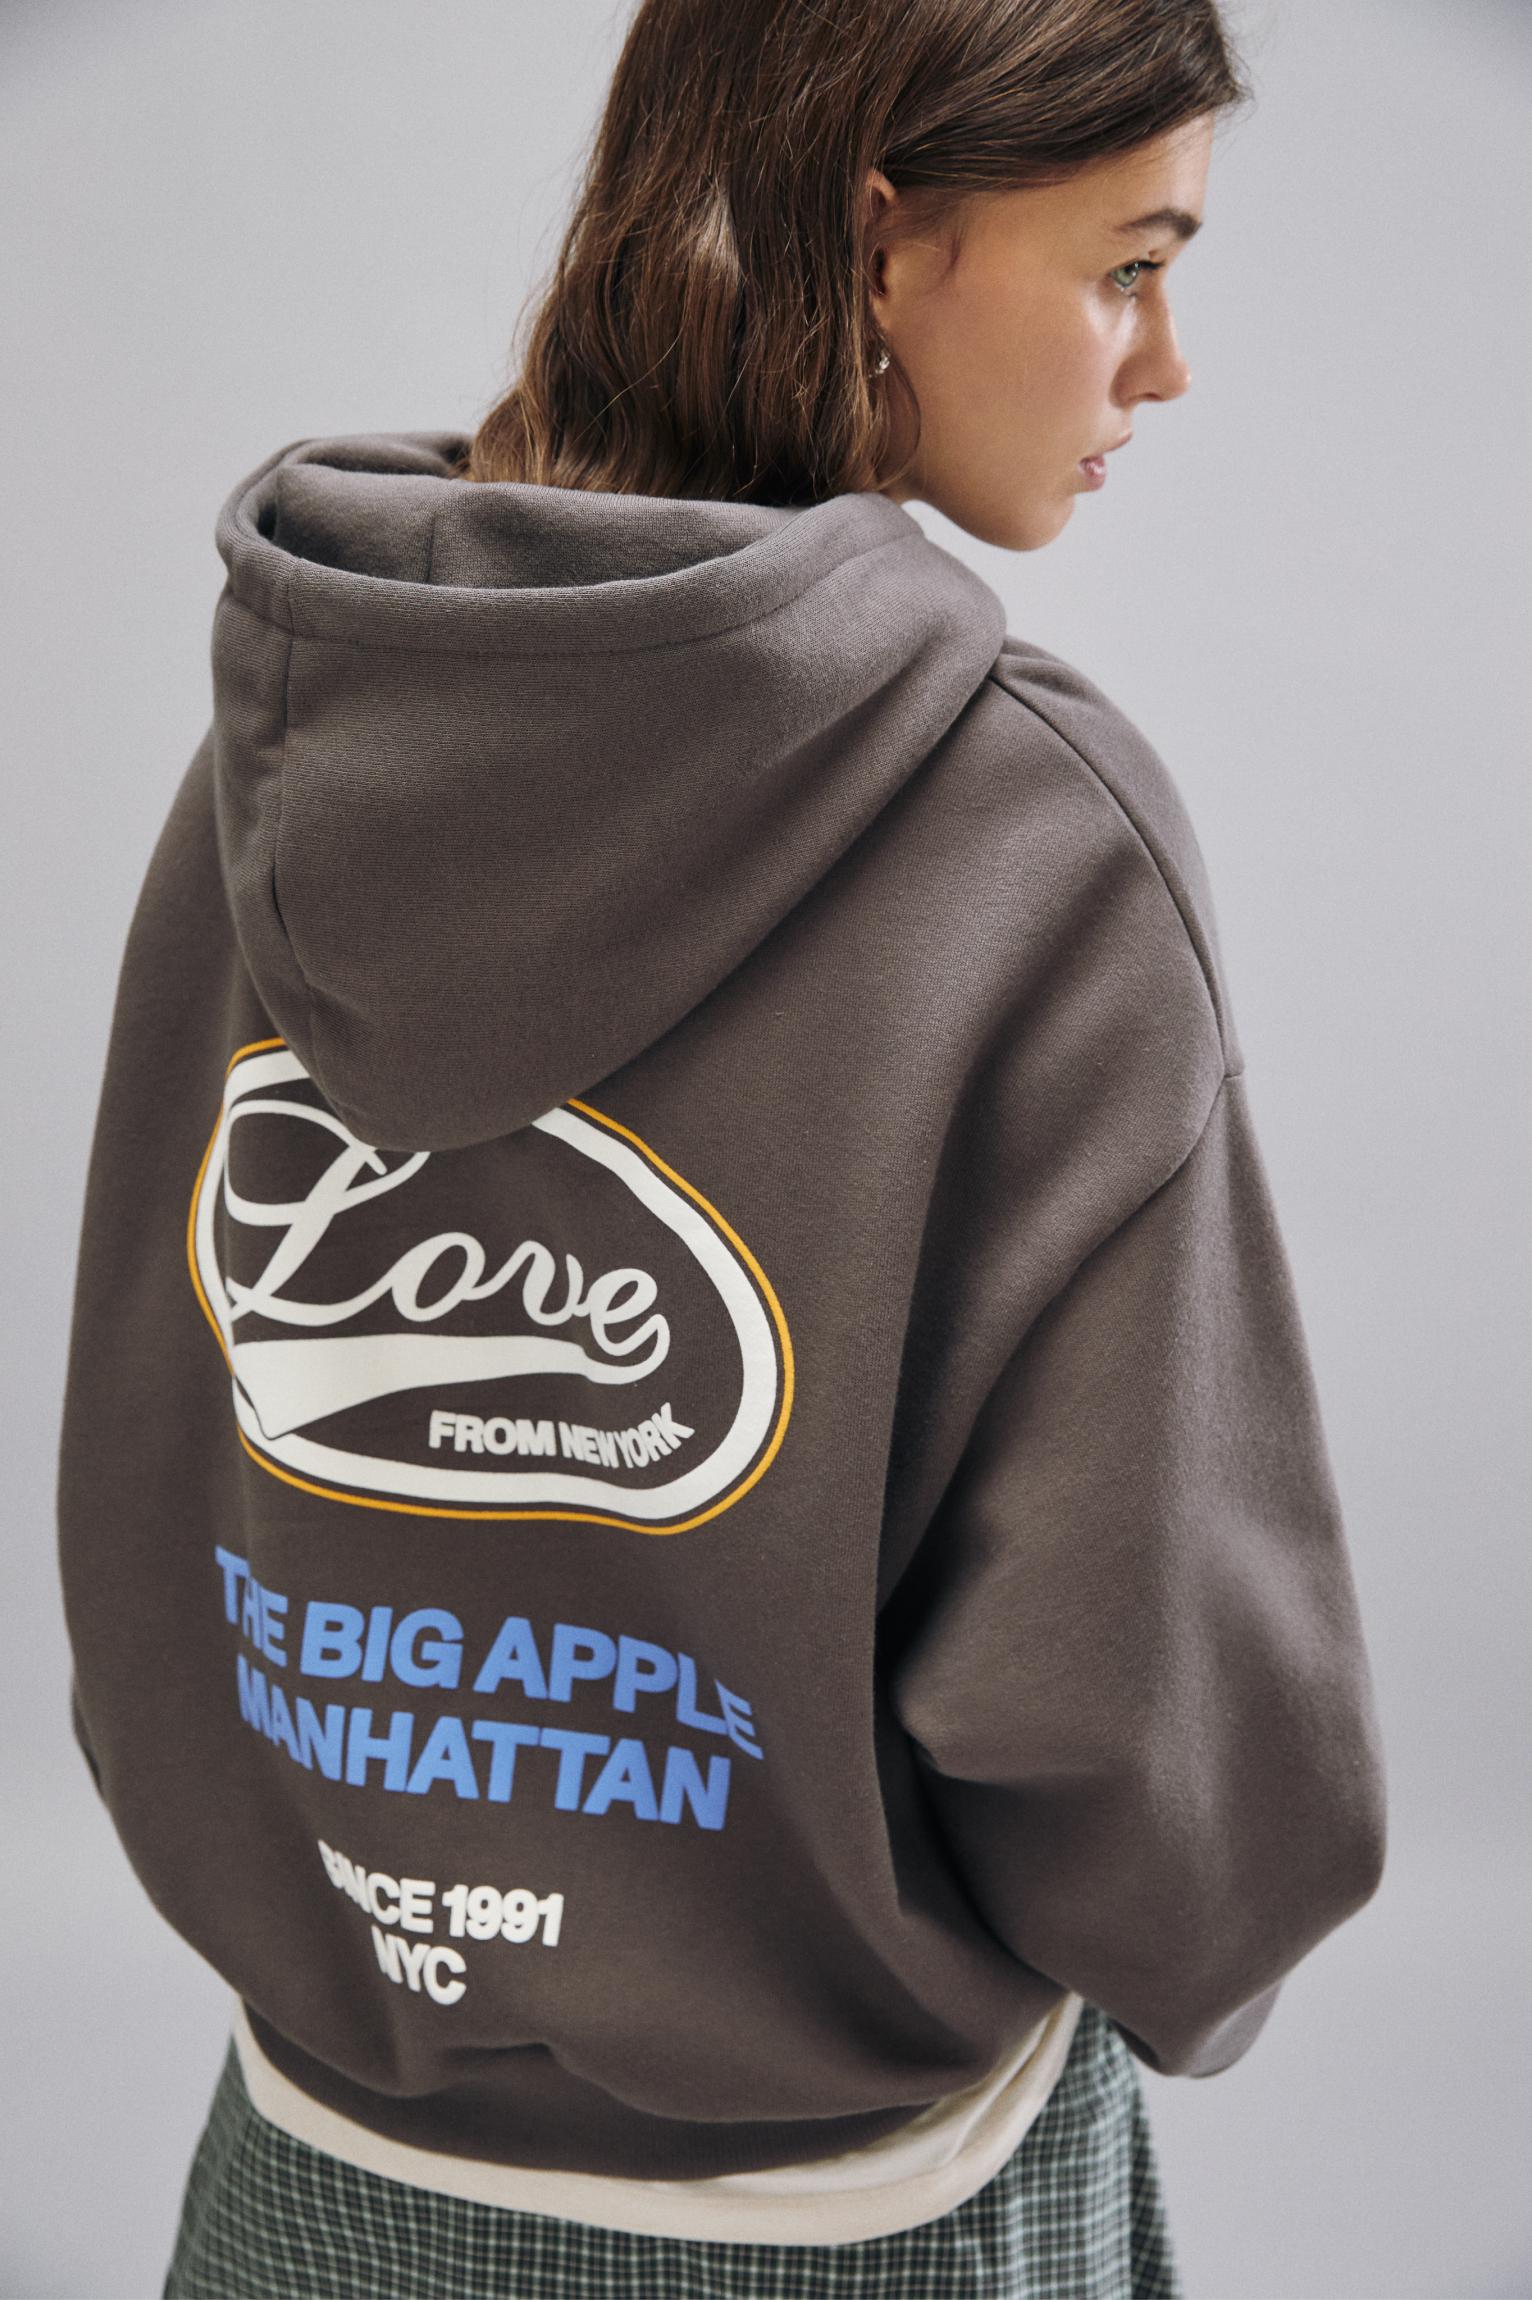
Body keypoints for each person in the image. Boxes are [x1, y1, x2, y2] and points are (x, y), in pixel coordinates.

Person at [55, 1, 1389, 2294]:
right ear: (880, 244)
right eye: (1125, 266)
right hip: (856, 2211)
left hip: (313, 2157)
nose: (1161, 364)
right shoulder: (1024, 838)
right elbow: (1129, 1709)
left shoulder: (290, 755)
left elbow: (148, 1469)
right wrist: (1194, 1951)